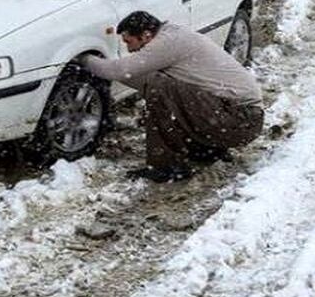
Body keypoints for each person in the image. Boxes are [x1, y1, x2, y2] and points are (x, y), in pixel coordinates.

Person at [82, 11, 264, 182]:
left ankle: (168, 167)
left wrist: (83, 59)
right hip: (235, 116)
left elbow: (121, 71)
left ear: (146, 35)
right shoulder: (173, 34)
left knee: (159, 88)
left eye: (129, 42)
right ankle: (206, 150)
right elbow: (134, 76)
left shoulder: (167, 43)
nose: (129, 49)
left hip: (240, 121)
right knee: (168, 87)